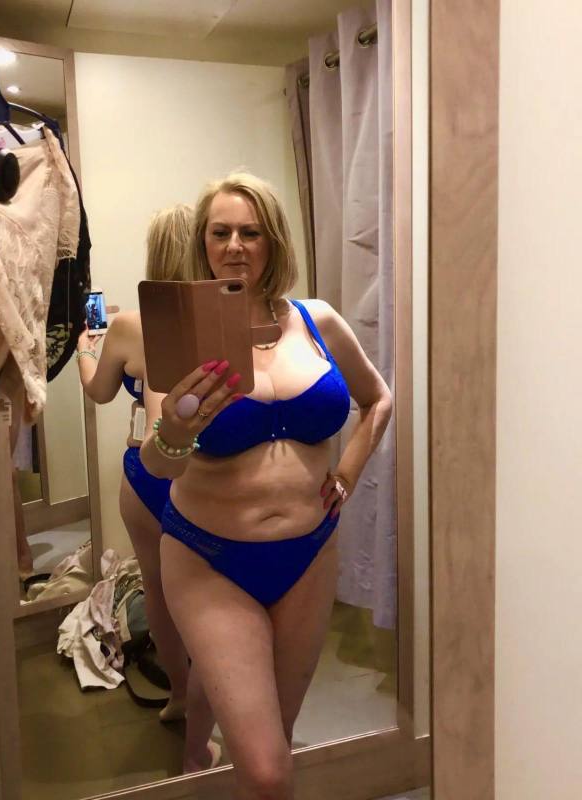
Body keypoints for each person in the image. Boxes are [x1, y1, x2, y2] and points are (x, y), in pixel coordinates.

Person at [140, 172, 393, 799]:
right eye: (220, 232)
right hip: (210, 559)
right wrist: (175, 429)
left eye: (250, 232)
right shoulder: (181, 335)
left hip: (309, 555)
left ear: (273, 241)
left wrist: (346, 475)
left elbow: (378, 399)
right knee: (267, 769)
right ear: (202, 243)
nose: (234, 245)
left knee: (277, 737)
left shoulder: (317, 321)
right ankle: (200, 747)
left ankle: (204, 753)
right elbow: (160, 465)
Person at [76, 205, 219, 771]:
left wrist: (89, 343)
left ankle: (180, 697)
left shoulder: (129, 326)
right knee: (212, 599)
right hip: (207, 474)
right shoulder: (225, 324)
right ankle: (211, 713)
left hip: (144, 471)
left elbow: (97, 391)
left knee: (158, 591)